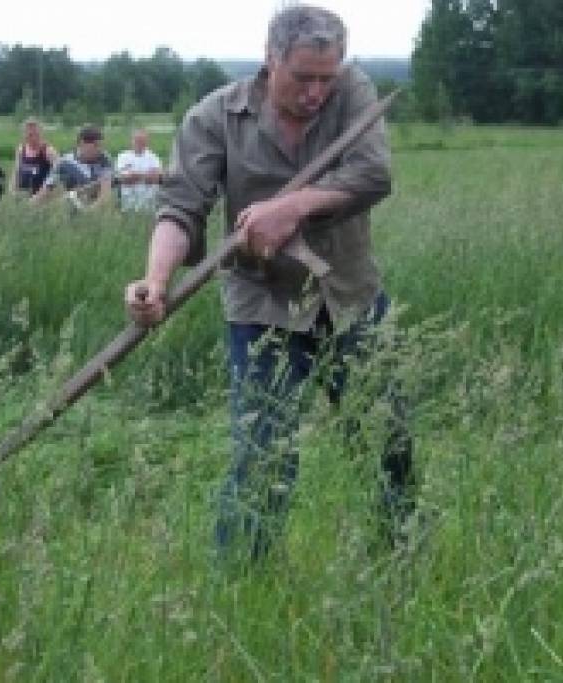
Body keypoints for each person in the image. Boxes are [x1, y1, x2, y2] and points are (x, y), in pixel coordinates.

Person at [125, 4, 415, 560]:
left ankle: (399, 558)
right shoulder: (214, 117)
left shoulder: (354, 93)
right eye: (302, 78)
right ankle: (239, 583)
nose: (315, 92)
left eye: (325, 78)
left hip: (349, 295)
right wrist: (155, 282)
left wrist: (292, 208)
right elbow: (181, 207)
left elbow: (374, 174)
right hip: (263, 303)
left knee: (388, 441)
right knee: (264, 452)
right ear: (269, 58)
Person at [32, 125, 112, 210]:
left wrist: (89, 212)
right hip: (71, 204)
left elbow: (105, 194)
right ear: (82, 144)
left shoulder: (104, 159)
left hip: (93, 207)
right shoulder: (65, 163)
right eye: (96, 145)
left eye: (101, 145)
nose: (100, 149)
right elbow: (46, 189)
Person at [115, 128, 163, 212]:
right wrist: (145, 175)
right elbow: (124, 179)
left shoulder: (153, 157)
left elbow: (156, 178)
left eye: (142, 141)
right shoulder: (123, 157)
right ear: (131, 141)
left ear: (147, 142)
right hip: (128, 204)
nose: (140, 143)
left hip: (149, 204)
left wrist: (135, 175)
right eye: (137, 140)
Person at [10, 118, 58, 196]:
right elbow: (16, 173)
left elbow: (57, 175)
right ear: (24, 134)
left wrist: (44, 194)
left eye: (35, 133)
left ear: (40, 133)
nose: (33, 137)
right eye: (29, 134)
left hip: (42, 197)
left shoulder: (49, 151)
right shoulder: (21, 150)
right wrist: (12, 191)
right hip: (22, 195)